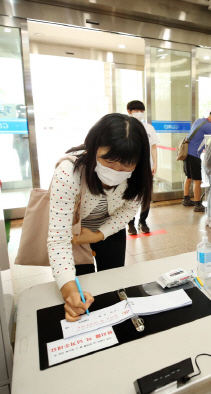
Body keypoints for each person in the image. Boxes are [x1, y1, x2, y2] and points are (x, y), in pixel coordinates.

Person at [47, 113, 152, 322]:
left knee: (112, 282)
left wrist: (98, 235)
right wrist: (70, 293)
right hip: (74, 234)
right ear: (93, 147)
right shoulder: (69, 173)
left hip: (110, 230)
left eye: (126, 165)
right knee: (81, 284)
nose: (116, 171)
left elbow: (128, 210)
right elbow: (58, 239)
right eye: (108, 161)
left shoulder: (139, 174)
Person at [125, 100, 159, 234]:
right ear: (129, 111)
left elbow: (154, 147)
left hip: (147, 168)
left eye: (141, 111)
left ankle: (143, 221)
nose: (139, 113)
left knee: (146, 197)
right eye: (136, 111)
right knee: (130, 196)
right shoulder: (126, 127)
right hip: (130, 169)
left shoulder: (149, 127)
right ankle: (130, 223)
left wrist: (155, 163)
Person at [183, 108, 211, 212]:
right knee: (197, 180)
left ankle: (186, 199)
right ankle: (198, 205)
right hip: (194, 155)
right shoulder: (209, 126)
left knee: (189, 177)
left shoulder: (199, 120)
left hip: (187, 153)